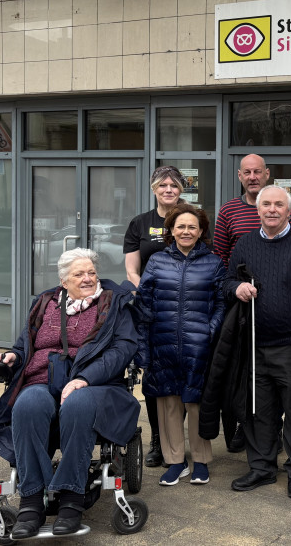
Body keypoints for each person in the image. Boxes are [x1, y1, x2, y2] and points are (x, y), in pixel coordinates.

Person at [0, 248, 139, 539]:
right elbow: (24, 347)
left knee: (77, 405)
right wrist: (10, 357)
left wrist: (84, 378)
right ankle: (32, 499)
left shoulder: (114, 303)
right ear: (63, 281)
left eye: (91, 272)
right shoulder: (45, 303)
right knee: (27, 404)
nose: (88, 278)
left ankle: (71, 498)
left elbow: (123, 349)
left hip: (97, 384)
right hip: (43, 379)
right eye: (79, 274)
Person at [223, 185, 291, 500]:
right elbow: (226, 281)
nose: (271, 209)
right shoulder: (245, 244)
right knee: (259, 412)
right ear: (257, 209)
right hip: (254, 344)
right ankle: (263, 468)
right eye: (265, 204)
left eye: (278, 204)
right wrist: (237, 287)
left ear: (289, 210)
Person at [212, 153, 291, 452]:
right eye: (247, 172)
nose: (252, 176)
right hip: (243, 311)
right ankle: (248, 431)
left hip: (283, 318)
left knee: (279, 389)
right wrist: (234, 287)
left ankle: (278, 443)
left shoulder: (290, 210)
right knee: (247, 382)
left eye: (257, 172)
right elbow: (220, 259)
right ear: (240, 176)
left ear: (267, 174)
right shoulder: (228, 211)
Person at [136, 204, 226, 487]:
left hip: (199, 345)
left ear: (201, 232)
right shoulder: (156, 261)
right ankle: (175, 461)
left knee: (196, 402)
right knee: (168, 404)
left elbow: (222, 303)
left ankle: (200, 461)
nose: (186, 231)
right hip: (162, 341)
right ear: (171, 230)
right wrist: (144, 343)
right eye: (180, 226)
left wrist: (209, 332)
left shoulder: (214, 263)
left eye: (192, 227)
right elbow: (143, 304)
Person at [123, 165, 185, 467]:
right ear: (154, 189)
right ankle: (158, 440)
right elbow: (132, 271)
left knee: (184, 373)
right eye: (163, 185)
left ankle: (177, 439)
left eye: (174, 185)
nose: (168, 189)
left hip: (186, 310)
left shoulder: (191, 220)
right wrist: (148, 292)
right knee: (154, 375)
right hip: (151, 310)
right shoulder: (140, 223)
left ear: (181, 190)